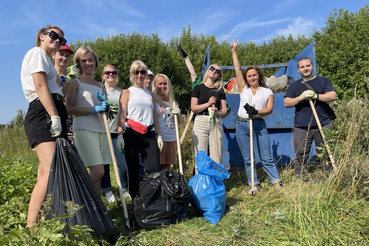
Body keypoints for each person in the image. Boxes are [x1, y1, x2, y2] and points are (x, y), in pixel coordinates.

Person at [21, 25, 68, 227]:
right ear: (42, 36)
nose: (58, 40)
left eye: (61, 39)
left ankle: (42, 218)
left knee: (43, 171)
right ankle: (31, 226)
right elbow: (40, 86)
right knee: (50, 172)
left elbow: (51, 87)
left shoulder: (47, 60)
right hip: (43, 114)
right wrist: (54, 115)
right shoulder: (37, 53)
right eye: (53, 35)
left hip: (49, 112)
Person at [230, 39, 280, 193]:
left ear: (259, 76)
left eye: (254, 75)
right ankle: (254, 184)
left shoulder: (267, 92)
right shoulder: (243, 88)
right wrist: (234, 51)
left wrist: (256, 112)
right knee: (248, 158)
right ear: (246, 78)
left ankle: (276, 182)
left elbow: (269, 109)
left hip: (258, 124)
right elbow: (238, 70)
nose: (252, 78)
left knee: (266, 156)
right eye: (249, 76)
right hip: (242, 125)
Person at [66, 47, 111, 192]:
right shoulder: (76, 83)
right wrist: (92, 109)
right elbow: (69, 108)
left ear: (95, 62)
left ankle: (94, 207)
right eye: (83, 61)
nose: (87, 63)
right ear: (78, 64)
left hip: (101, 130)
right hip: (84, 129)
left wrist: (106, 104)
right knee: (98, 171)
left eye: (90, 60)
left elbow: (108, 110)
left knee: (97, 174)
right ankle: (74, 193)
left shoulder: (101, 85)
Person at [116, 60, 162, 200]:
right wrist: (119, 135)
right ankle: (135, 201)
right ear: (132, 74)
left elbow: (154, 116)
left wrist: (159, 135)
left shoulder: (150, 94)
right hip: (132, 133)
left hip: (148, 133)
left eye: (143, 72)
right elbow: (122, 115)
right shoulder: (127, 92)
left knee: (154, 169)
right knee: (133, 169)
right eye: (136, 72)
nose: (140, 75)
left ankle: (153, 198)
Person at [284, 57, 336, 178]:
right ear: (298, 69)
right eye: (302, 67)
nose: (305, 69)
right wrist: (300, 97)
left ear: (312, 66)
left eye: (308, 66)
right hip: (301, 126)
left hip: (323, 124)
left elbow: (332, 96)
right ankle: (301, 179)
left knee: (325, 153)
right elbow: (287, 103)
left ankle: (328, 178)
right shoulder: (294, 86)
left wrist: (317, 96)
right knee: (301, 154)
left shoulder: (323, 81)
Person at [99, 64, 129, 202]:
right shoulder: (100, 89)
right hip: (103, 131)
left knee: (122, 163)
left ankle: (124, 188)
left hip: (118, 132)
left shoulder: (122, 92)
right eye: (107, 72)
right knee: (105, 163)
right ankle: (107, 190)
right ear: (103, 75)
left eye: (113, 72)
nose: (110, 74)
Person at [191, 63, 228, 169]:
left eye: (218, 71)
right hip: (201, 121)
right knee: (200, 155)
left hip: (216, 121)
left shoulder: (220, 90)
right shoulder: (198, 88)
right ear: (208, 70)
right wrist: (208, 104)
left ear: (219, 76)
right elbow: (194, 108)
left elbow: (224, 110)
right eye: (212, 68)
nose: (214, 71)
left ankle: (216, 183)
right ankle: (201, 184)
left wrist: (218, 112)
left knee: (217, 154)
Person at [152, 74, 182, 171]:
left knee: (167, 167)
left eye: (165, 84)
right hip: (160, 138)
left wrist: (179, 114)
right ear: (155, 85)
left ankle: (165, 185)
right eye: (160, 84)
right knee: (157, 167)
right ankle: (157, 185)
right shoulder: (153, 101)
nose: (163, 86)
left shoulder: (173, 102)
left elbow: (179, 122)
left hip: (172, 138)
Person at [52, 44, 78, 144]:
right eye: (61, 54)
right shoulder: (49, 75)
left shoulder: (73, 77)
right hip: (56, 119)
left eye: (67, 56)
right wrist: (68, 81)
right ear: (53, 54)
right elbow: (59, 98)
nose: (64, 58)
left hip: (72, 122)